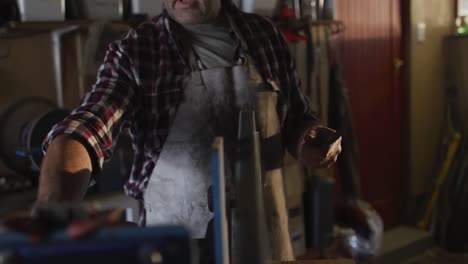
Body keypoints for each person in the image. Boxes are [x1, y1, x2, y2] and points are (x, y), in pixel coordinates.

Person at [38, 0, 341, 244]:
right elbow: (88, 127)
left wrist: (309, 140)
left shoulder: (266, 36)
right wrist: (54, 209)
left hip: (263, 233)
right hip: (173, 242)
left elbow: (297, 119)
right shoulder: (136, 51)